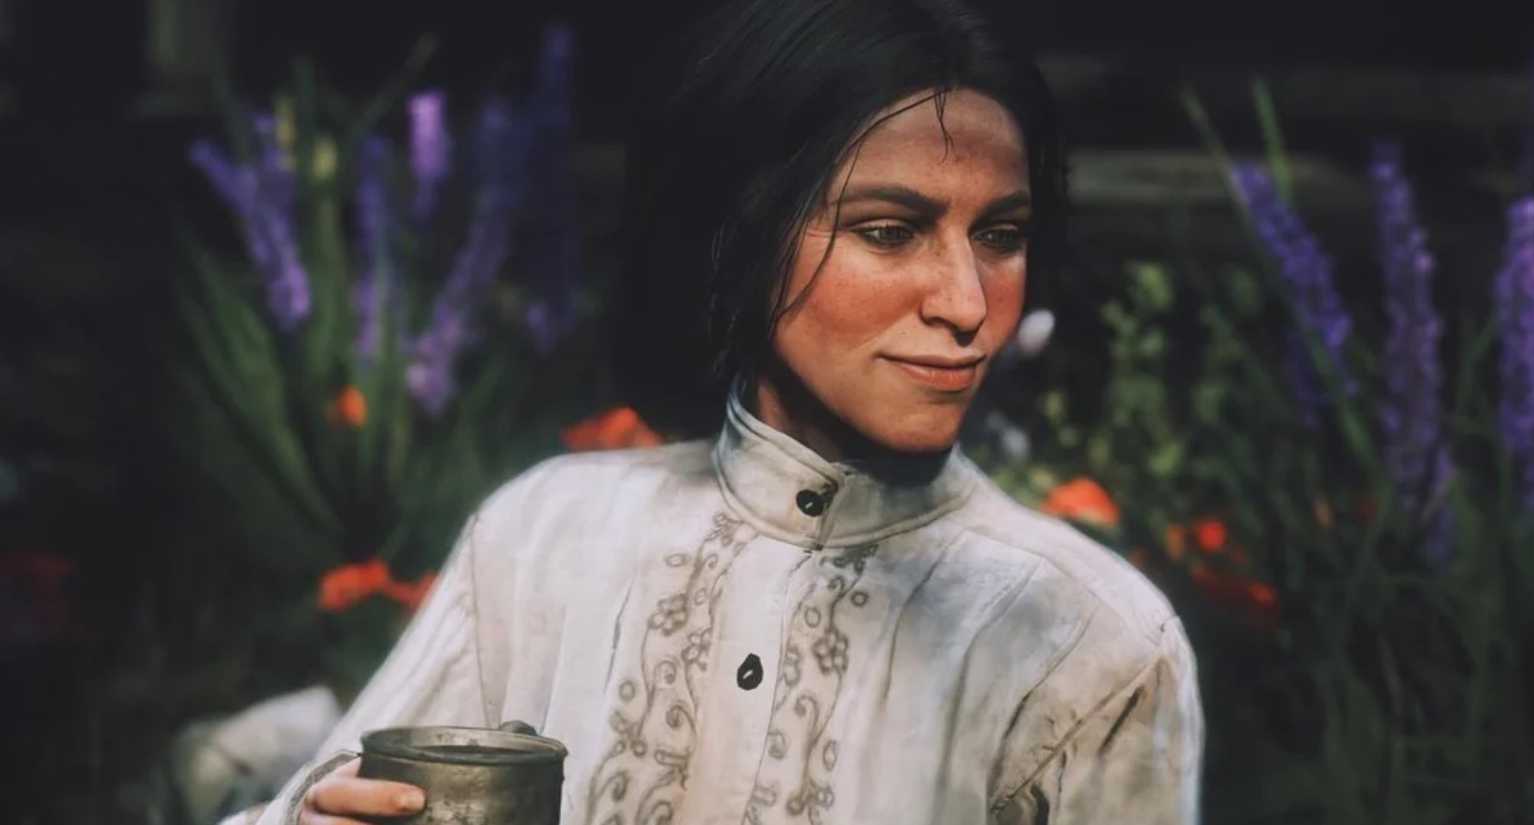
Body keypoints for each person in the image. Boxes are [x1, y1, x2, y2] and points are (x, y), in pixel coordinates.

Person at [253, 0, 1203, 822]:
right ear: (744, 231)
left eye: (1000, 234)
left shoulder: (1089, 638)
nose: (964, 302)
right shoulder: (547, 538)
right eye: (890, 230)